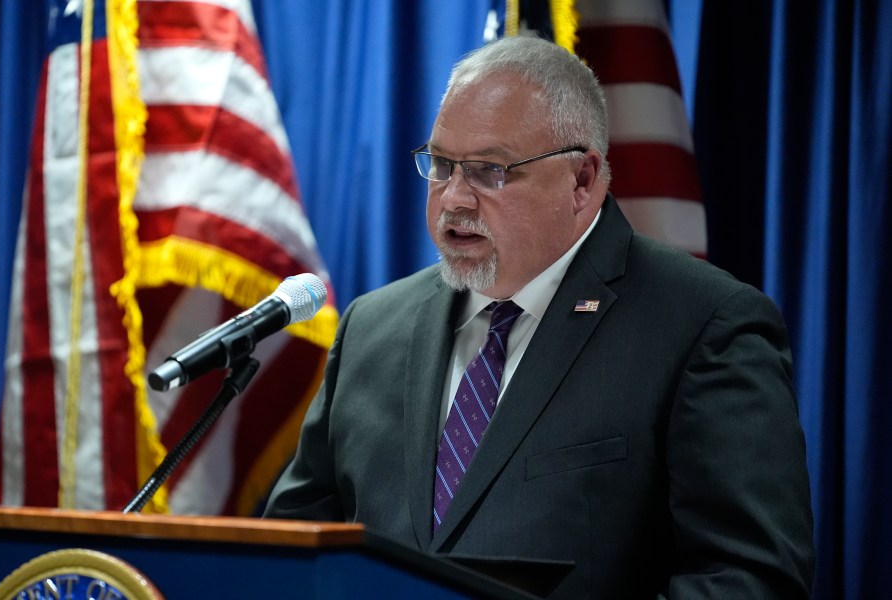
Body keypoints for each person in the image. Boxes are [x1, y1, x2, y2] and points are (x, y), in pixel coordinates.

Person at [263, 36, 815, 598]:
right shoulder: (371, 327)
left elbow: (751, 580)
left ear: (581, 181)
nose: (453, 197)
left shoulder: (702, 325)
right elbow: (288, 553)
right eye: (442, 164)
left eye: (489, 171)